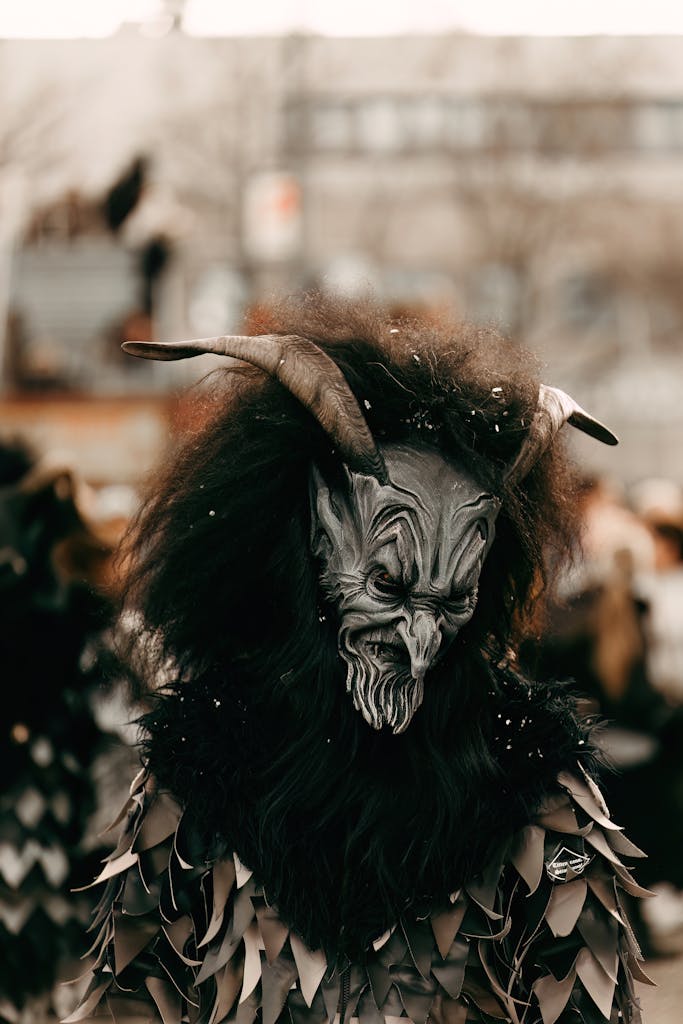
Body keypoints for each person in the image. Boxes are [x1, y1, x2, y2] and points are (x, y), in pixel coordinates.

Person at [70, 297, 648, 1024]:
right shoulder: (200, 769)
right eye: (388, 586)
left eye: (452, 599)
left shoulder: (534, 780)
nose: (420, 640)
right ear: (320, 531)